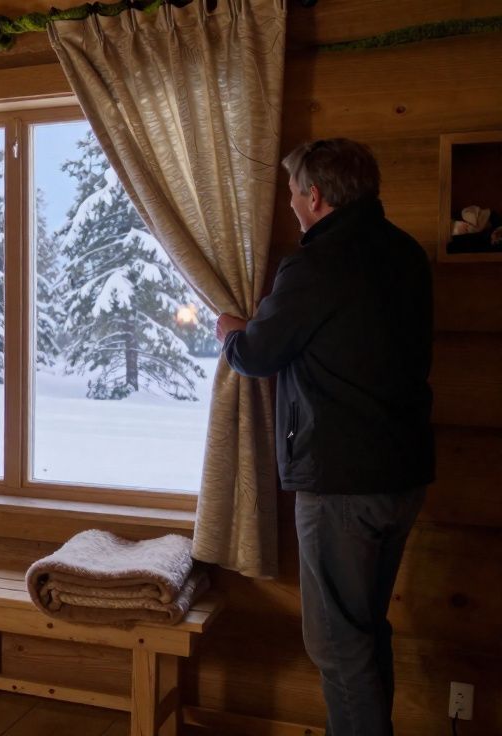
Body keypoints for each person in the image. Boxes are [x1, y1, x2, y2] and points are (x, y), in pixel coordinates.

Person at [216, 138, 434, 736]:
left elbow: (260, 355)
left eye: (292, 194)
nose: (290, 205)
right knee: (364, 631)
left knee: (337, 646)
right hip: (404, 475)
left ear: (314, 196)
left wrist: (233, 331)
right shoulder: (406, 253)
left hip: (341, 481)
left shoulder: (317, 264)